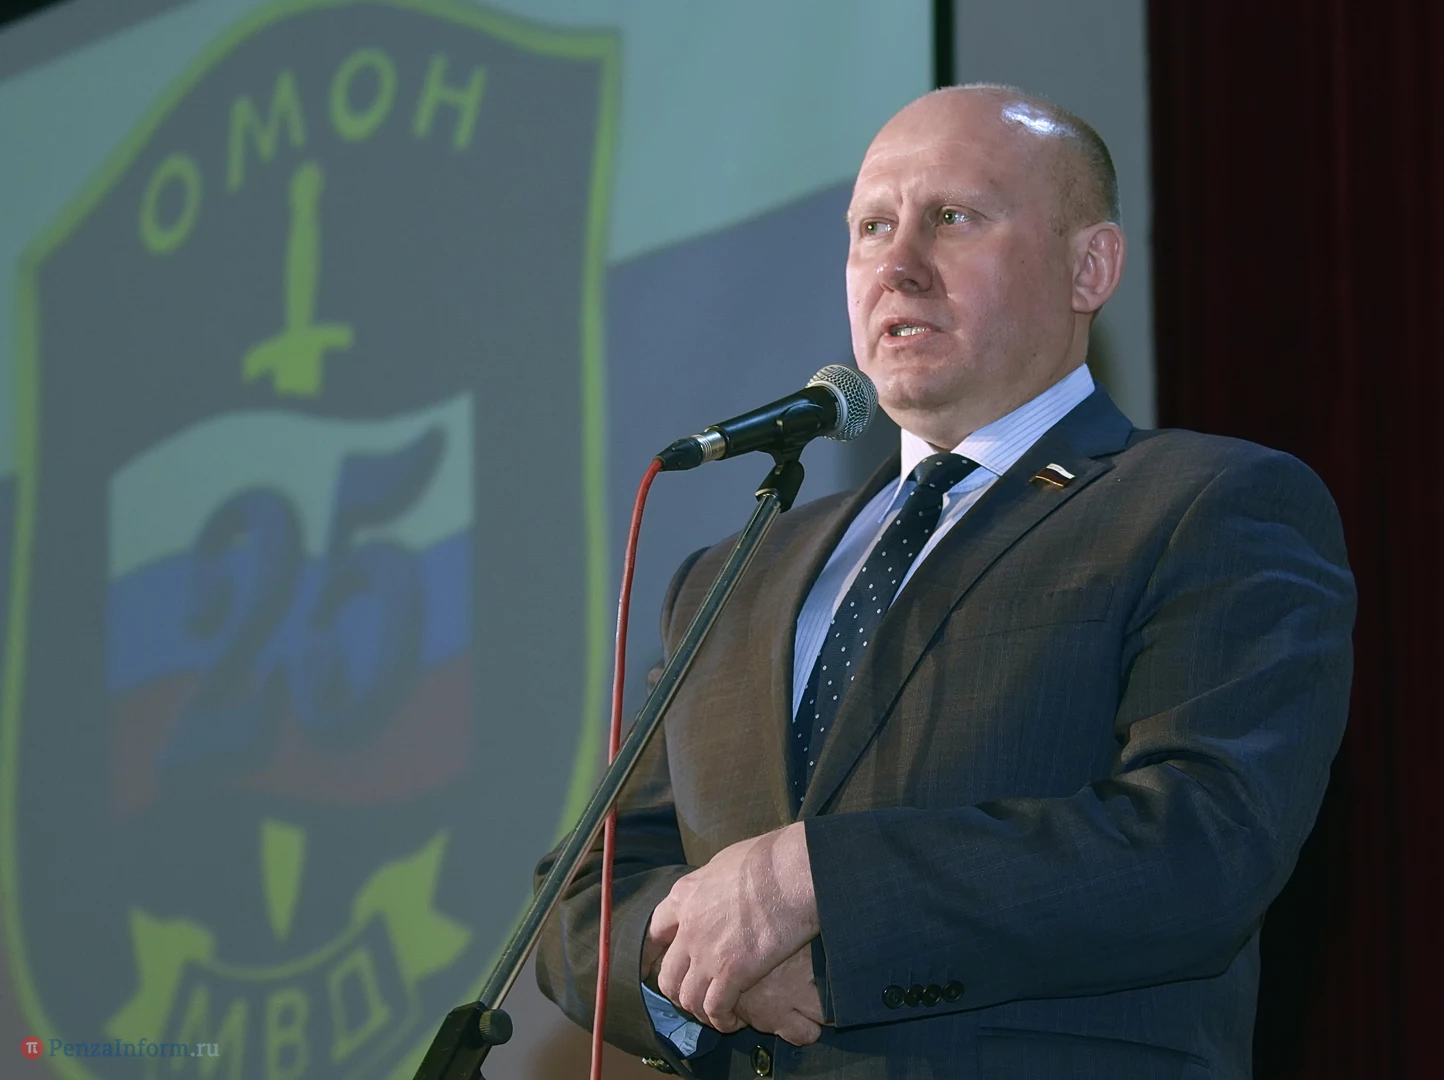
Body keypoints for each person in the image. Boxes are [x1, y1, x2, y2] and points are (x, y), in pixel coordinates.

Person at [534, 84, 1355, 1079]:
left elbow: (1205, 843)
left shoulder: (1203, 504)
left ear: (1089, 266)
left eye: (953, 218)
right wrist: (703, 976)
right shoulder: (737, 571)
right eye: (871, 228)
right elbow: (581, 898)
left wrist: (814, 884)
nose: (897, 265)